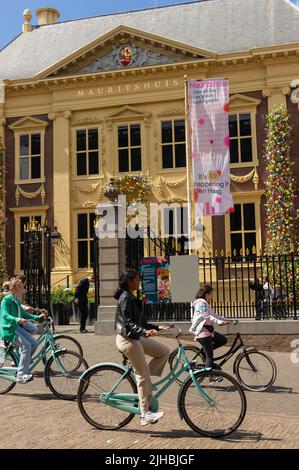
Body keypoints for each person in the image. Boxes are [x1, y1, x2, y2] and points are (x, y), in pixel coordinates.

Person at [114, 269, 170, 426]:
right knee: (142, 375)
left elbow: (141, 322)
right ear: (129, 281)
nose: (139, 282)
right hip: (126, 339)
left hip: (135, 336)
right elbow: (128, 324)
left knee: (163, 351)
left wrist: (158, 327)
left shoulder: (132, 296)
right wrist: (145, 332)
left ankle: (146, 385)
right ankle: (144, 414)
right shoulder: (125, 297)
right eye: (137, 279)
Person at [0, 278, 47, 384]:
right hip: (8, 330)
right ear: (16, 287)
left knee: (34, 343)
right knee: (26, 345)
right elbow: (5, 315)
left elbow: (24, 314)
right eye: (21, 286)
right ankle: (21, 375)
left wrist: (37, 317)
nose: (23, 288)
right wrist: (18, 319)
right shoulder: (6, 300)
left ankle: (22, 361)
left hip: (16, 327)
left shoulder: (16, 299)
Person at [189, 284, 231, 374]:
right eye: (211, 293)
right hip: (202, 332)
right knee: (209, 356)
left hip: (208, 332)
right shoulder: (200, 302)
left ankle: (206, 352)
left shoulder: (206, 304)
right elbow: (206, 315)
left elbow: (214, 315)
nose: (212, 296)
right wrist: (218, 322)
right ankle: (210, 376)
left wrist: (227, 320)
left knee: (222, 340)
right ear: (207, 294)